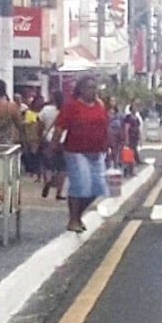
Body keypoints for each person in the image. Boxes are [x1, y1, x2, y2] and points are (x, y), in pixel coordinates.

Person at [55, 75, 108, 233]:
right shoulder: (72, 106)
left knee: (99, 187)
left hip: (97, 152)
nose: (93, 90)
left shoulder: (99, 105)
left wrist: (108, 145)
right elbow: (59, 128)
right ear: (81, 90)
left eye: (94, 87)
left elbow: (104, 126)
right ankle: (73, 219)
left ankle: (77, 216)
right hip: (76, 151)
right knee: (81, 186)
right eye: (89, 87)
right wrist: (53, 147)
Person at [39, 91, 66, 200]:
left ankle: (48, 181)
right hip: (63, 140)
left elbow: (39, 124)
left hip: (48, 139)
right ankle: (59, 193)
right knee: (62, 168)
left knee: (48, 165)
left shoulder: (45, 110)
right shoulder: (65, 110)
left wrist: (40, 136)